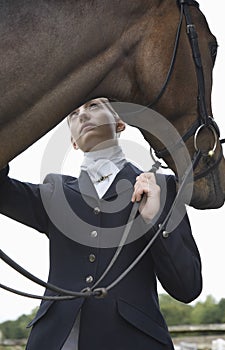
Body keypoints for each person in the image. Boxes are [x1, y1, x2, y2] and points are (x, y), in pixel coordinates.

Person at [0, 97, 202, 350]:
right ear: (73, 142)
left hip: (134, 341)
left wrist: (153, 219)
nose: (82, 115)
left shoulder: (162, 188)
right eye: (73, 114)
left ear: (119, 123)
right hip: (55, 340)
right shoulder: (54, 191)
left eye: (93, 106)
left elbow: (188, 287)